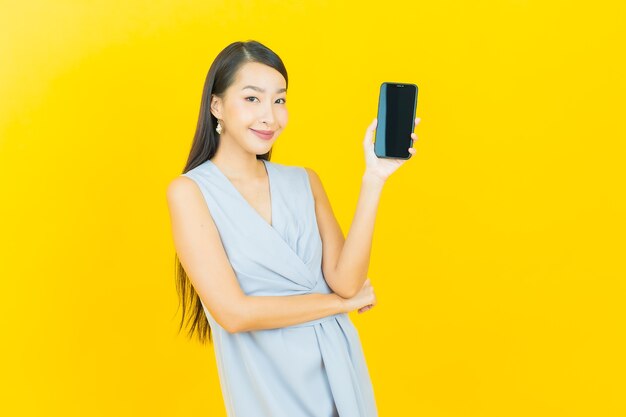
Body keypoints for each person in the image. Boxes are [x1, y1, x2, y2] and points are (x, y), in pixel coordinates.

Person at [166, 40, 420, 417]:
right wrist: (341, 305)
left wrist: (374, 179)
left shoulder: (304, 181)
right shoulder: (190, 192)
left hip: (338, 365)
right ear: (216, 105)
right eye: (252, 99)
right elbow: (234, 314)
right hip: (267, 385)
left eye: (279, 100)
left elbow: (347, 281)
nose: (270, 116)